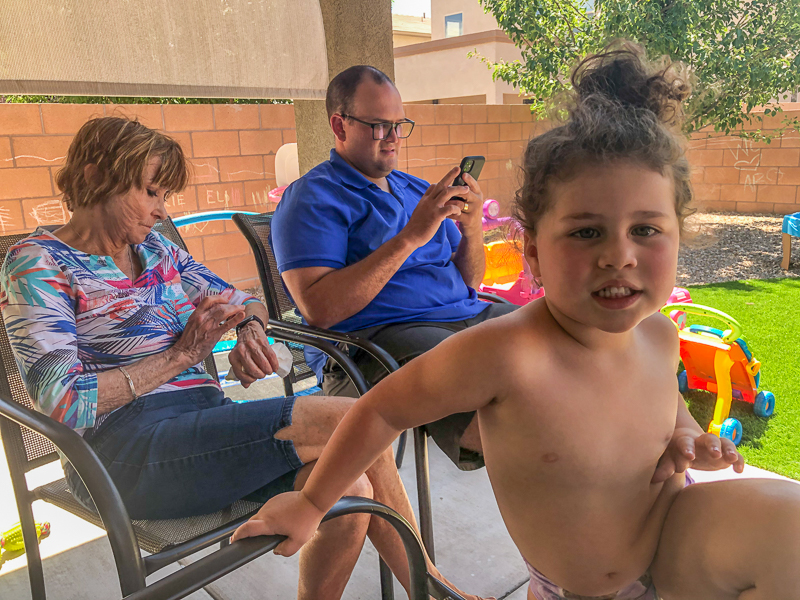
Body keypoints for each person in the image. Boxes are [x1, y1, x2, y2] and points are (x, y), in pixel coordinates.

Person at [233, 45, 800, 599]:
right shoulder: (314, 199)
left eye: (646, 230)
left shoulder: (658, 333)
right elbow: (355, 368)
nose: (619, 256)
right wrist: (312, 503)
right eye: (586, 232)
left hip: (671, 541)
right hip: (387, 337)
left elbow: (661, 400)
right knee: (531, 385)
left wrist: (686, 436)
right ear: (534, 253)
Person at [0, 116, 486, 600]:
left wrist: (251, 330)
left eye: (164, 195)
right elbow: (62, 401)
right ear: (94, 177)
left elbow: (243, 299)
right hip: (116, 455)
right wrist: (182, 355)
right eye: (149, 192)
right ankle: (431, 589)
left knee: (351, 490)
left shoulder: (157, 250)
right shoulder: (37, 262)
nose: (160, 211)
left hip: (201, 426)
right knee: (356, 419)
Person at [271, 65, 516, 471]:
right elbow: (319, 310)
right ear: (340, 125)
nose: (393, 138)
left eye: (399, 126)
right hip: (378, 340)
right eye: (379, 126)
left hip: (466, 316)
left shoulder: (417, 189)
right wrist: (410, 237)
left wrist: (471, 229)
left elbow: (470, 280)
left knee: (559, 337)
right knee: (501, 406)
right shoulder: (312, 198)